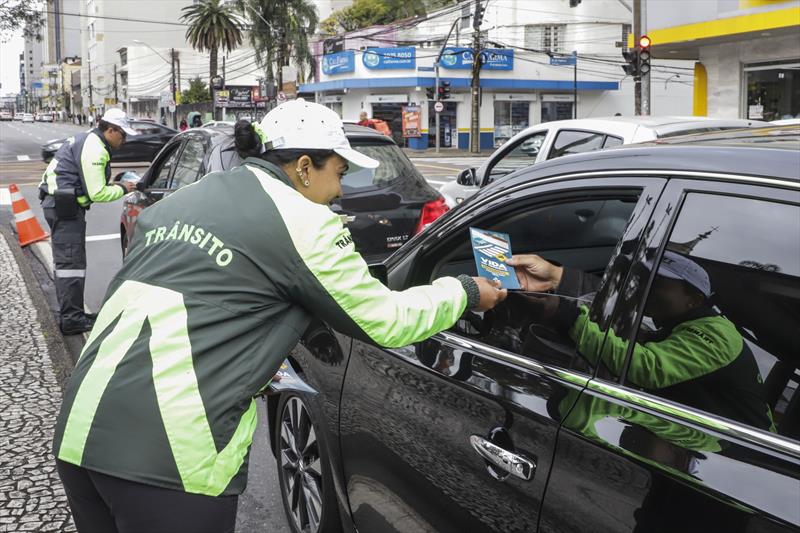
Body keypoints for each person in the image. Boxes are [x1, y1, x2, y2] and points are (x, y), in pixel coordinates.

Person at [52, 99, 507, 533]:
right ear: (305, 167)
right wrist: (465, 290)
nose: (341, 190)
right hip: (168, 453)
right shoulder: (303, 219)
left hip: (81, 428)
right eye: (340, 172)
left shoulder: (184, 200)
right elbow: (384, 319)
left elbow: (206, 297)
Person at [507, 250, 775, 431]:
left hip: (737, 454)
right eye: (645, 279)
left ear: (693, 300)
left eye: (659, 283)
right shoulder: (679, 326)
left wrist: (570, 317)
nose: (647, 288)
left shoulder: (716, 334)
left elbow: (646, 369)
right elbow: (613, 303)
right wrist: (557, 276)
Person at [38, 108, 138, 335]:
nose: (124, 140)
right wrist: (123, 188)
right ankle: (72, 320)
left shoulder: (91, 140)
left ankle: (73, 313)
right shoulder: (95, 149)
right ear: (111, 130)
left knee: (70, 264)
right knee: (71, 266)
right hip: (64, 208)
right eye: (122, 134)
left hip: (61, 204)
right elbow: (97, 193)